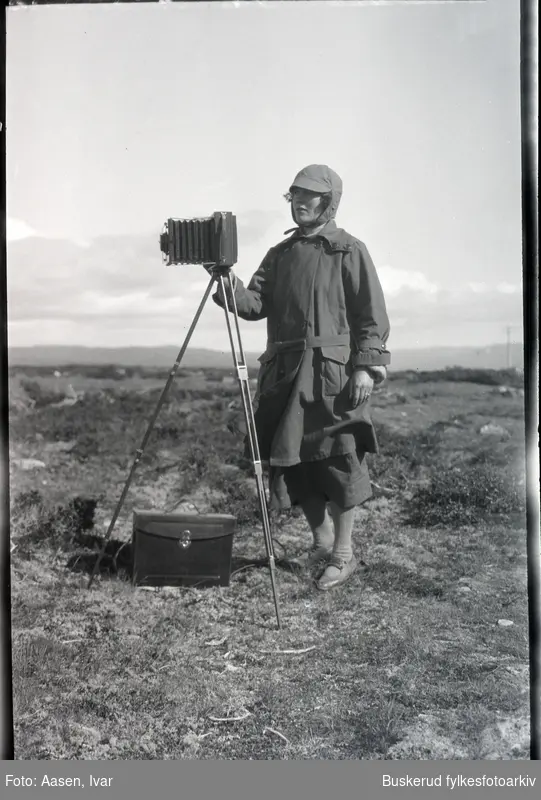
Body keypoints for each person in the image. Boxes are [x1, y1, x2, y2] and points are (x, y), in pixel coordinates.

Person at [214, 164, 390, 591]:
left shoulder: (349, 250)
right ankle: (322, 541)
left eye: (309, 196)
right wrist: (222, 276)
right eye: (294, 195)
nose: (300, 203)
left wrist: (367, 366)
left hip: (333, 374)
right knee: (291, 459)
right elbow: (255, 304)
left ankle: (344, 555)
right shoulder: (280, 254)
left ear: (329, 202)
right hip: (286, 373)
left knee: (338, 458)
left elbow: (370, 313)